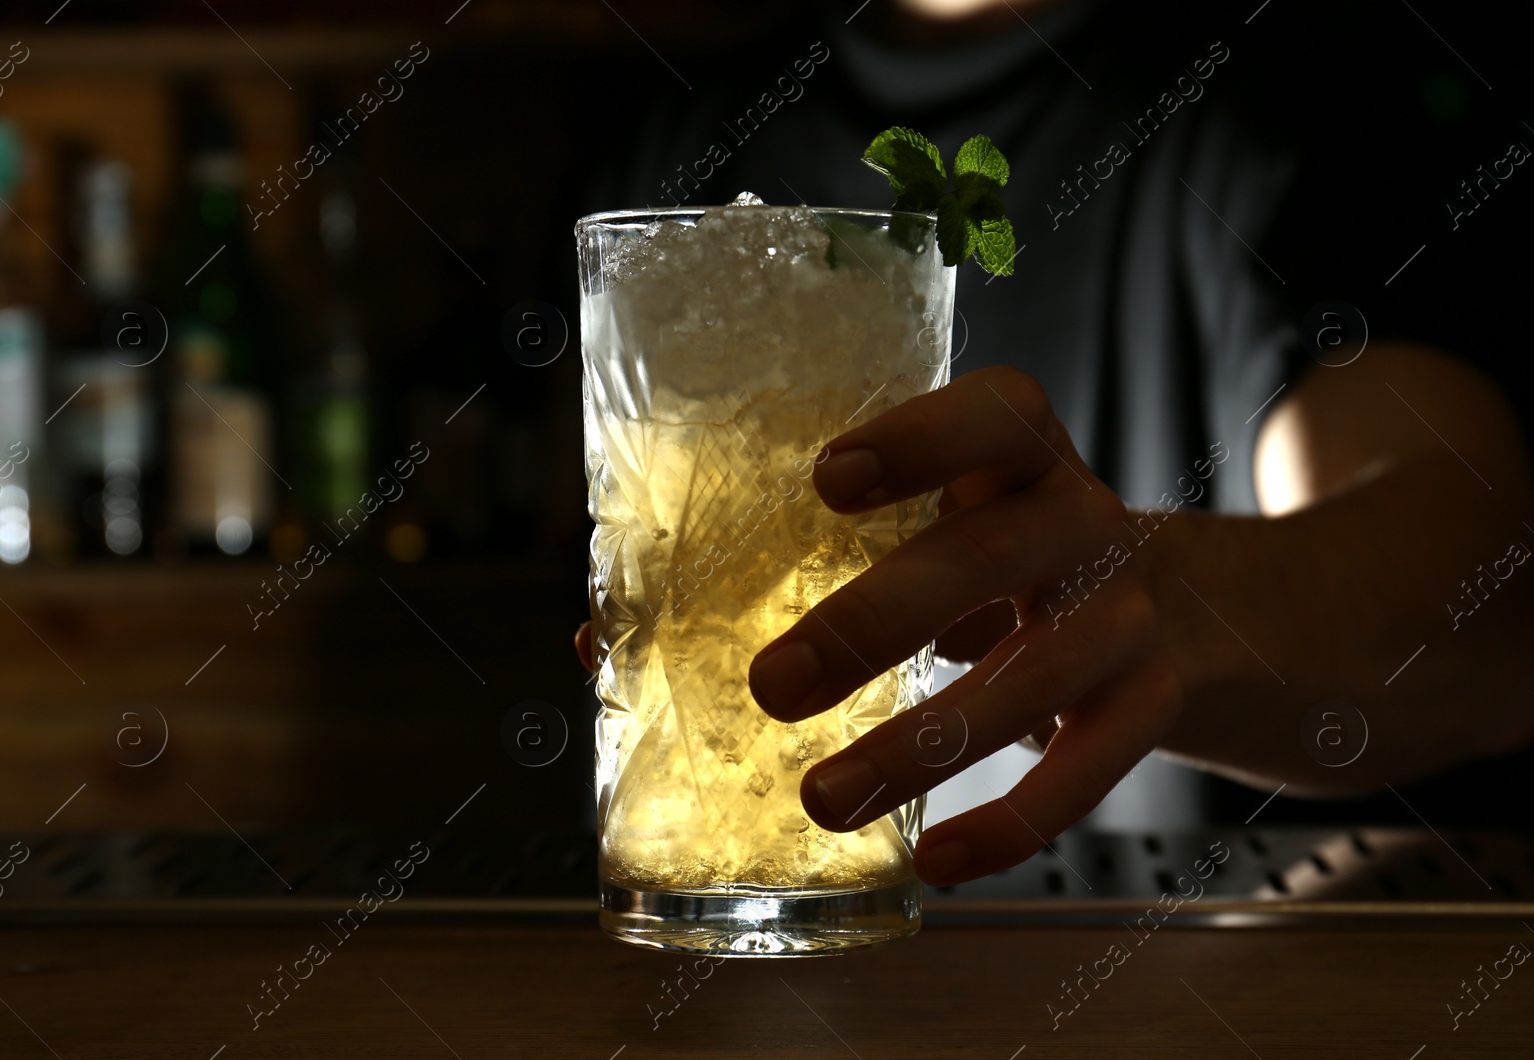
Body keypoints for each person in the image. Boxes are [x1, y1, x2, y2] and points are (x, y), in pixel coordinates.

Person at [573, 0, 1534, 884]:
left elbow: (1482, 587)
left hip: (1159, 987)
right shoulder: (673, 130)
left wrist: (1163, 603)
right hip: (704, 966)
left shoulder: (1286, 111)